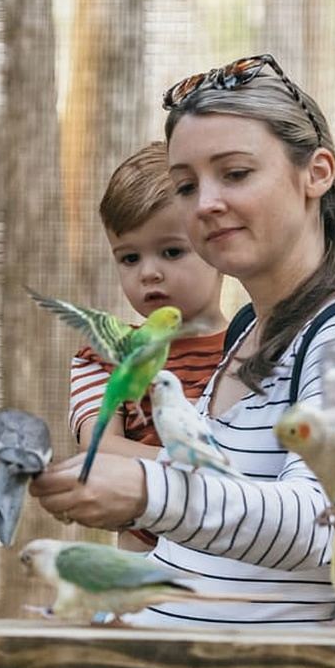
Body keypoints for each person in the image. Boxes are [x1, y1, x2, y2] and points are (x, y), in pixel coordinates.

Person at [32, 54, 335, 627]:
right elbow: (219, 532)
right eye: (186, 185)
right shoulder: (249, 329)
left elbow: (331, 527)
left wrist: (149, 490)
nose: (206, 203)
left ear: (316, 173)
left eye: (236, 173)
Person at [67, 141, 228, 550]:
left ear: (218, 244)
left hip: (237, 564)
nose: (149, 273)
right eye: (129, 258)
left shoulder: (258, 347)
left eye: (171, 251)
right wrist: (203, 472)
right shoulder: (105, 355)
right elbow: (99, 446)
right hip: (143, 574)